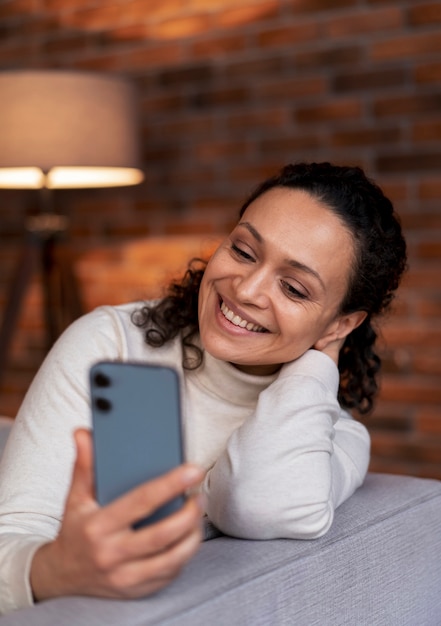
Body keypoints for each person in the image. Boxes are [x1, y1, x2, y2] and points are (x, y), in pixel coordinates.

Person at [0, 162, 407, 615]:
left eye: (293, 288)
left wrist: (318, 361)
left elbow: (258, 504)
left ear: (343, 322)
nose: (247, 289)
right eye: (244, 251)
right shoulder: (111, 344)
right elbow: (11, 532)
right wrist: (56, 570)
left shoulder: (332, 438)